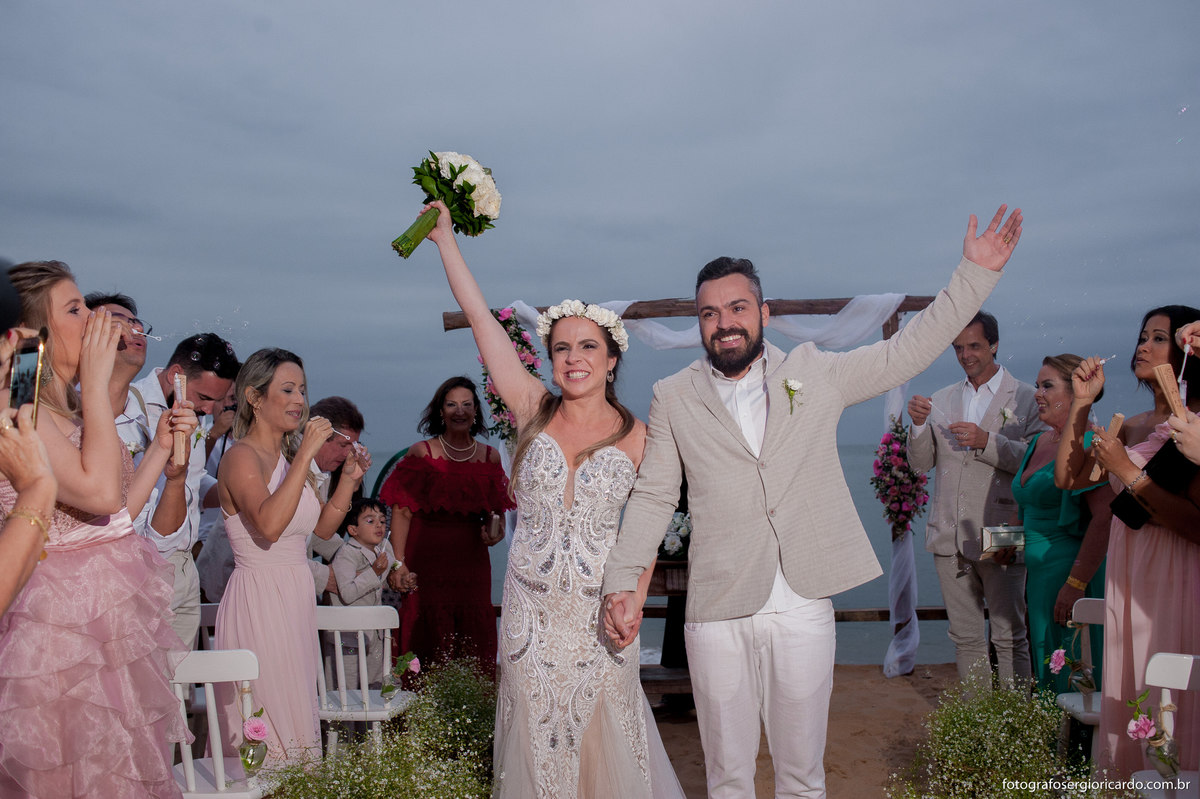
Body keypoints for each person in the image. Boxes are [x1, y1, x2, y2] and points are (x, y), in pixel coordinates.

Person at [603, 205, 1023, 799]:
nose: (724, 323)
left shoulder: (813, 372)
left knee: (802, 778)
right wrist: (622, 580)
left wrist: (974, 275)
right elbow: (652, 494)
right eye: (709, 313)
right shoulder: (672, 395)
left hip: (802, 602)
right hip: (718, 607)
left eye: (737, 308)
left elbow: (906, 351)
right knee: (727, 778)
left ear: (764, 313)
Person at [424, 200, 684, 799]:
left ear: (612, 360)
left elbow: (645, 532)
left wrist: (633, 601)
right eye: (562, 348)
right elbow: (481, 320)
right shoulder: (531, 409)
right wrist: (446, 242)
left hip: (601, 612)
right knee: (535, 745)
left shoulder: (641, 437)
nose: (573, 358)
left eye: (588, 347)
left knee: (604, 743)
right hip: (530, 616)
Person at [0, 260, 198, 797]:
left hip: (104, 617)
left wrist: (160, 449)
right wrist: (94, 380)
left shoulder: (58, 404)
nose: (93, 320)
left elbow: (113, 518)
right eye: (75, 310)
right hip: (56, 626)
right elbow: (101, 492)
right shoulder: (18, 399)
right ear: (32, 335)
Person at [1056, 305, 1200, 778]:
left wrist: (1125, 470)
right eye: (1142, 336)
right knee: (1132, 683)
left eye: (1159, 338)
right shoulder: (1133, 424)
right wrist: (1081, 402)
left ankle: (1174, 780)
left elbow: (1195, 525)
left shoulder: (1195, 425)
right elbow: (1069, 479)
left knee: (1168, 689)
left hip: (1176, 574)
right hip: (1127, 571)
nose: (1143, 346)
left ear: (1188, 350)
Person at [214, 348, 368, 766]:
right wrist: (305, 455)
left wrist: (348, 482)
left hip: (296, 597)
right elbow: (268, 525)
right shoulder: (240, 457)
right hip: (260, 599)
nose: (300, 399)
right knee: (267, 717)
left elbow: (319, 531)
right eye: (287, 389)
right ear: (254, 397)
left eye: (302, 389)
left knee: (295, 714)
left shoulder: (285, 460)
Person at [905, 311, 1043, 684]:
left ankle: (1016, 716)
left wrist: (987, 441)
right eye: (958, 348)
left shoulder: (1027, 398)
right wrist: (917, 425)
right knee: (965, 638)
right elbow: (920, 464)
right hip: (948, 534)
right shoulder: (941, 398)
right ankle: (977, 718)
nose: (966, 355)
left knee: (1010, 635)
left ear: (994, 345)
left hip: (1003, 533)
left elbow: (1037, 463)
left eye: (974, 346)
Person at [380, 376, 513, 678]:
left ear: (476, 411)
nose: (459, 411)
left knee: (472, 639)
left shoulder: (490, 457)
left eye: (466, 404)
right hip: (425, 562)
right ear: (441, 411)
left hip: (471, 566)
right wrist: (398, 563)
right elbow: (401, 512)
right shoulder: (421, 453)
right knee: (424, 634)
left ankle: (471, 702)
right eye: (452, 405)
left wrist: (494, 532)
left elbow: (497, 517)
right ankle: (420, 702)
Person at [124, 332, 239, 647]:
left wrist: (233, 493)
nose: (209, 409)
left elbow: (194, 480)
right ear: (176, 375)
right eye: (204, 397)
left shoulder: (192, 409)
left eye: (217, 400)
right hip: (145, 562)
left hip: (187, 565)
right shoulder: (129, 406)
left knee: (183, 672)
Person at [1011, 354, 1111, 693]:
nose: (1037, 393)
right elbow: (1027, 504)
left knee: (1071, 667)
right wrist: (1009, 541)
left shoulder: (1090, 444)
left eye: (1047, 386)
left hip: (1070, 573)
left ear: (1076, 392)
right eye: (1037, 385)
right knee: (1045, 660)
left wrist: (1075, 584)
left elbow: (1104, 517)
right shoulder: (1039, 441)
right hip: (1038, 576)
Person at [327, 497, 397, 688]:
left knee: (375, 685)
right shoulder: (347, 553)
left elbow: (384, 582)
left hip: (374, 634)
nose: (379, 525)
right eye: (370, 521)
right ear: (353, 530)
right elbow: (347, 593)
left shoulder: (383, 550)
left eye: (382, 521)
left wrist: (401, 578)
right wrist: (374, 572)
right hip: (348, 637)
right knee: (346, 687)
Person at [304, 395, 367, 601]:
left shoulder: (324, 472)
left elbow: (318, 532)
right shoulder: (289, 465)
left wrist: (361, 558)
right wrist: (328, 577)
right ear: (319, 436)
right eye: (343, 445)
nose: (349, 454)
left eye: (354, 446)